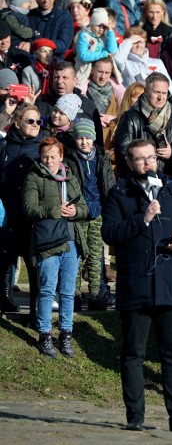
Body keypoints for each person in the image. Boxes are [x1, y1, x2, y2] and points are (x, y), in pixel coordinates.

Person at [101, 139, 172, 433]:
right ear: (130, 163)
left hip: (170, 283)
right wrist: (141, 219)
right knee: (133, 352)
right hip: (136, 283)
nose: (147, 163)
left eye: (150, 158)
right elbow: (109, 232)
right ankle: (135, 416)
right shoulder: (120, 193)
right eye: (140, 159)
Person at [23, 136, 88, 357]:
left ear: (61, 157)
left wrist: (76, 211)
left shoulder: (70, 177)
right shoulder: (34, 176)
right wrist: (54, 210)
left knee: (68, 292)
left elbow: (84, 207)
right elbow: (29, 208)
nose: (48, 160)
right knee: (47, 289)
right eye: (44, 156)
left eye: (52, 156)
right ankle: (44, 334)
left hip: (71, 239)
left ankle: (66, 334)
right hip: (48, 241)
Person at [0, 104, 49, 318]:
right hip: (7, 215)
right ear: (18, 122)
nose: (36, 125)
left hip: (32, 216)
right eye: (30, 121)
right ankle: (4, 301)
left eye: (39, 121)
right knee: (3, 261)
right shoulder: (4, 146)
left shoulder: (43, 149)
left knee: (33, 266)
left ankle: (35, 311)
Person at [65, 118, 115, 311]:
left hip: (98, 213)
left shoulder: (101, 158)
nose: (84, 142)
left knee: (96, 255)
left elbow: (109, 185)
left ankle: (96, 293)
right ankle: (74, 294)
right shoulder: (70, 159)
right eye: (80, 138)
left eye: (87, 138)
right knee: (77, 255)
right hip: (78, 213)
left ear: (94, 138)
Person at [113, 72, 172, 175]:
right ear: (146, 91)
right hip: (137, 180)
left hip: (167, 179)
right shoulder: (130, 117)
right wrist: (143, 170)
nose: (161, 97)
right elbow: (123, 152)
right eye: (157, 92)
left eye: (164, 93)